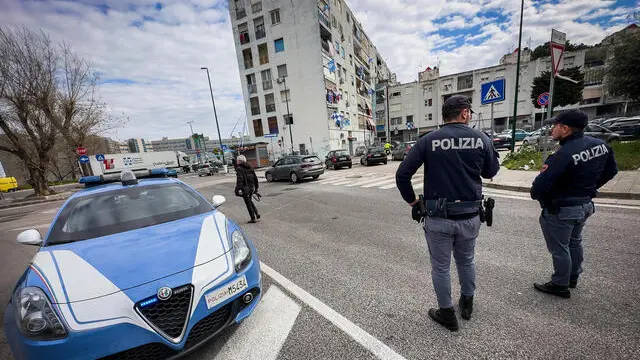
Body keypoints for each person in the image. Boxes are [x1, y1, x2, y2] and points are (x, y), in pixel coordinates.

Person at [396, 95, 500, 332]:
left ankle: (447, 314)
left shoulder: (428, 140)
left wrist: (413, 201)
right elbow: (490, 171)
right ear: (464, 113)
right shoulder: (481, 138)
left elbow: (402, 174)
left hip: (438, 218)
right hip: (470, 216)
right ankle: (467, 303)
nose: (470, 115)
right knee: (467, 260)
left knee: (441, 267)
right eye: (469, 112)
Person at [531, 110, 618, 298]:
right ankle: (572, 277)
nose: (551, 129)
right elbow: (612, 171)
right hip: (584, 204)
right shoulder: (601, 145)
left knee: (560, 247)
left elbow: (540, 185)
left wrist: (539, 196)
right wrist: (589, 187)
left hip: (562, 208)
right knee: (574, 242)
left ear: (565, 128)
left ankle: (559, 284)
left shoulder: (564, 154)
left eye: (555, 126)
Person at [235, 155, 260, 223]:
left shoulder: (239, 168)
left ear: (240, 161)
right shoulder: (250, 167)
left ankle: (253, 218)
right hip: (251, 188)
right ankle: (256, 213)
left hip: (245, 188)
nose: (236, 161)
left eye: (237, 160)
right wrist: (256, 187)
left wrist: (238, 189)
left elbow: (240, 179)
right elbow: (255, 178)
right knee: (249, 200)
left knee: (248, 203)